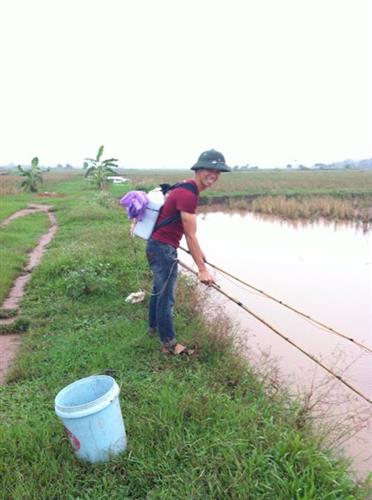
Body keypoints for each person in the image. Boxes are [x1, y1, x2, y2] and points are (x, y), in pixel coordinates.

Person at [146, 149, 231, 354]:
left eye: (218, 171)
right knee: (166, 297)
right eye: (209, 169)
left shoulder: (185, 186)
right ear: (198, 169)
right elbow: (190, 234)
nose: (214, 174)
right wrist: (201, 269)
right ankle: (169, 345)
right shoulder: (188, 194)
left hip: (157, 246)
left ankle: (153, 328)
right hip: (162, 249)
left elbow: (182, 231)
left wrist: (199, 255)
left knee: (159, 290)